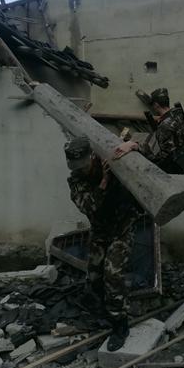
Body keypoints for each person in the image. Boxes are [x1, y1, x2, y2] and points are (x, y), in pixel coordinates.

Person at [64, 136, 144, 351]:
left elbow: (148, 157)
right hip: (100, 230)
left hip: (122, 227)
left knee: (113, 274)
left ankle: (120, 324)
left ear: (92, 155)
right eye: (76, 166)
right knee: (94, 275)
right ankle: (102, 310)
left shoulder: (108, 157)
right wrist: (104, 182)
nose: (80, 169)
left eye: (83, 164)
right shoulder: (76, 180)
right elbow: (88, 207)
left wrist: (133, 145)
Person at [113, 88, 184, 173]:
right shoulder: (179, 115)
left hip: (176, 169)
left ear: (156, 105)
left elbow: (163, 156)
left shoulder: (165, 125)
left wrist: (137, 146)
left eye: (153, 104)